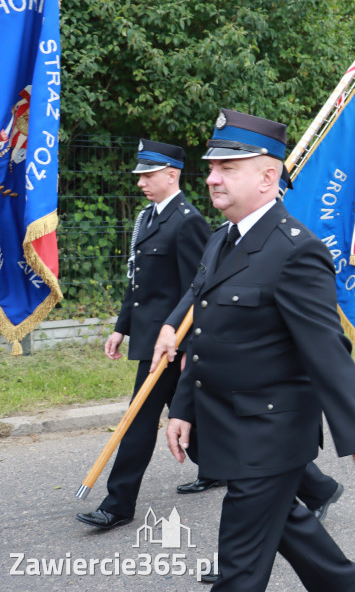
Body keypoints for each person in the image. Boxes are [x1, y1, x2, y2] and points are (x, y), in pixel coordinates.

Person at [155, 109, 355, 591]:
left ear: (269, 177)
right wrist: (183, 406)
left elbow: (328, 354)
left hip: (270, 433)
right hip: (228, 423)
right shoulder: (222, 238)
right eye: (211, 167)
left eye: (228, 168)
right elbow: (204, 333)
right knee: (285, 521)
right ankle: (345, 584)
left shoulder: (296, 251)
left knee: (239, 570)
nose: (211, 178)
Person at [75, 140, 211, 531]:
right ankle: (221, 468)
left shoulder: (188, 221)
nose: (141, 183)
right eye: (139, 176)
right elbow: (139, 283)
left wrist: (186, 347)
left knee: (139, 418)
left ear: (172, 174)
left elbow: (196, 292)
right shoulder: (149, 218)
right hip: (148, 338)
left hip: (168, 345)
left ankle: (117, 504)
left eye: (148, 175)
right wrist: (121, 328)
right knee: (194, 415)